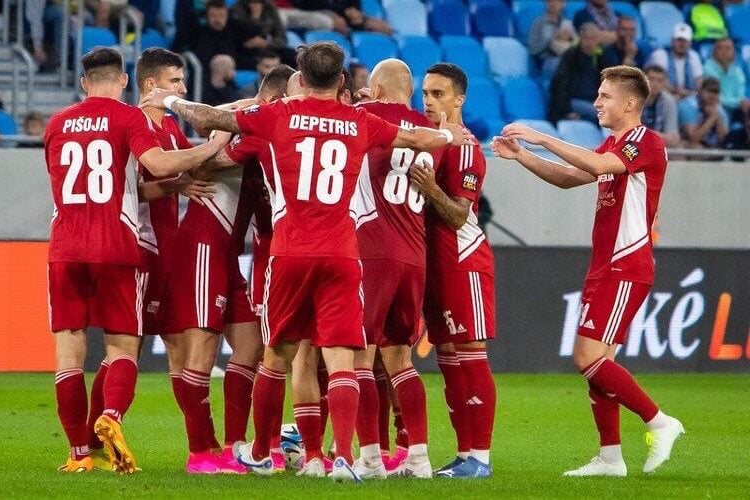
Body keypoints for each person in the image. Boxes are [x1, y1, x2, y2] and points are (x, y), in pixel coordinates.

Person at [141, 41, 472, 482]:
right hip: (342, 253)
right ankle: (343, 459)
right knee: (341, 360)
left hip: (289, 251)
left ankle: (262, 451)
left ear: (301, 75)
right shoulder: (358, 119)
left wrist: (172, 100)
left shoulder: (278, 115)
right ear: (341, 81)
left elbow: (212, 118)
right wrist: (452, 133)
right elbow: (417, 138)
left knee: (276, 356)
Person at [492, 65, 684, 477]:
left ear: (630, 103)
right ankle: (611, 458)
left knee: (587, 357)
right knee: (602, 361)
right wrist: (524, 155)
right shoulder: (613, 145)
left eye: (605, 96)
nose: (597, 102)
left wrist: (542, 137)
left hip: (625, 263)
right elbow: (569, 177)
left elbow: (598, 168)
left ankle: (660, 422)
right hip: (605, 265)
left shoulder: (644, 142)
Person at [44, 46, 222, 474]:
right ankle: (111, 416)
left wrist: (170, 186)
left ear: (84, 83)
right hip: (117, 247)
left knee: (69, 355)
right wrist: (210, 147)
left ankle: (78, 455)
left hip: (64, 249)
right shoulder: (129, 118)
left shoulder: (56, 124)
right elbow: (156, 164)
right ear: (124, 81)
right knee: (123, 346)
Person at [158, 64, 294, 475]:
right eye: (291, 99)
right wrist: (190, 172)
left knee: (250, 348)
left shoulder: (271, 125)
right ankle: (201, 452)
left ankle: (235, 446)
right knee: (199, 353)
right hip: (203, 242)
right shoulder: (246, 118)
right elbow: (203, 160)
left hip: (229, 252)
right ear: (273, 98)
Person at [342, 59, 434, 479]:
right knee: (401, 360)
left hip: (372, 250)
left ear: (375, 88)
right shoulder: (427, 132)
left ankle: (372, 459)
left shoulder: (362, 118)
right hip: (415, 254)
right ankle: (419, 458)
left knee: (361, 358)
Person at [411, 62, 496, 480]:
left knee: (471, 357)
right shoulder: (431, 141)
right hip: (434, 263)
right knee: (447, 360)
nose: (428, 101)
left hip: (464, 262)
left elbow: (460, 215)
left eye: (438, 94)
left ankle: (480, 456)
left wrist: (430, 190)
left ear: (459, 99)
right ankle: (464, 455)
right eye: (425, 93)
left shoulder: (464, 147)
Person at [549, 23, 607, 124]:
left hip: (594, 101)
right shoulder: (570, 56)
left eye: (593, 39)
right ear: (580, 38)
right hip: (573, 102)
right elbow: (559, 86)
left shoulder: (600, 58)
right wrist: (567, 111)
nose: (589, 43)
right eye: (586, 38)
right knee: (603, 115)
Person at [231, 0, 297, 66]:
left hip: (267, 47)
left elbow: (282, 38)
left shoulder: (269, 7)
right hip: (245, 50)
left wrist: (267, 43)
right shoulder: (237, 9)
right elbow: (236, 36)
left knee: (292, 55)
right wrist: (255, 18)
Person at [646, 23, 703, 100]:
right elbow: (659, 81)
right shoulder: (660, 55)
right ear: (672, 41)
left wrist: (689, 94)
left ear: (690, 43)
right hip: (663, 95)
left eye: (685, 41)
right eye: (679, 40)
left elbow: (699, 81)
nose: (682, 44)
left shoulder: (694, 56)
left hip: (689, 97)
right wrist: (679, 92)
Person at [702, 37, 749, 122]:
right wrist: (738, 102)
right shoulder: (708, 68)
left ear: (733, 52)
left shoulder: (737, 70)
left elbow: (740, 95)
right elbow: (715, 97)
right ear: (714, 52)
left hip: (735, 108)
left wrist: (742, 102)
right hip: (714, 105)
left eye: (728, 48)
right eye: (720, 48)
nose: (724, 51)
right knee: (718, 109)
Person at [527, 0, 577, 77]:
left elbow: (577, 46)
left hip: (567, 57)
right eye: (550, 1)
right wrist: (552, 38)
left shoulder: (568, 23)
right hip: (547, 60)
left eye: (558, 1)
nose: (553, 4)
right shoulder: (538, 23)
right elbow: (533, 49)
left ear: (563, 4)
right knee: (560, 64)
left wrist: (572, 38)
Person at [679, 76, 729, 149]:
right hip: (687, 145)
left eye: (715, 92)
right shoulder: (689, 105)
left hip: (712, 147)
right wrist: (712, 118)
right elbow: (693, 139)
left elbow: (725, 141)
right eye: (709, 91)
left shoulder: (720, 110)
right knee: (696, 148)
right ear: (700, 91)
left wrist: (718, 118)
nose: (712, 95)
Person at [642, 66, 680, 147]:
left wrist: (648, 135)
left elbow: (673, 138)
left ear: (664, 83)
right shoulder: (632, 99)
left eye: (660, 80)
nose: (655, 84)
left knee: (679, 152)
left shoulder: (669, 101)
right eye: (651, 79)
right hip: (634, 145)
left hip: (659, 146)